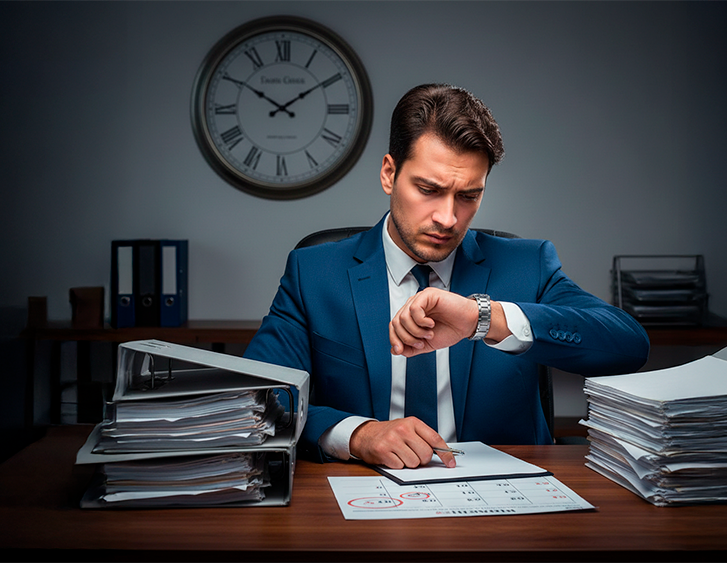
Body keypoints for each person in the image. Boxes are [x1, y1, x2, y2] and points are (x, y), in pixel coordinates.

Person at [244, 84, 649, 469]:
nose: (447, 218)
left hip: (506, 504)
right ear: (389, 174)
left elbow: (627, 346)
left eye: (468, 196)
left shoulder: (528, 265)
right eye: (428, 189)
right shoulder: (313, 273)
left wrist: (483, 319)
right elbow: (258, 397)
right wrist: (357, 435)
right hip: (365, 496)